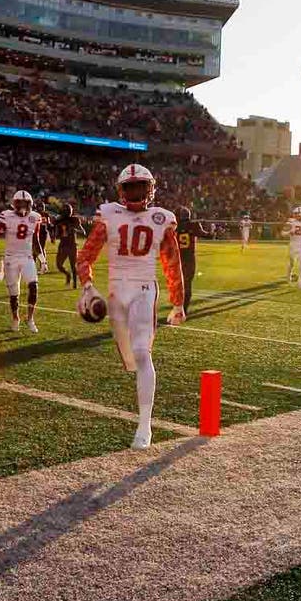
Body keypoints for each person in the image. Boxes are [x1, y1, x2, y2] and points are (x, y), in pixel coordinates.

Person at [77, 164, 186, 449]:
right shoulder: (109, 216)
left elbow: (172, 263)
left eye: (141, 187)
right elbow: (86, 255)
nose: (136, 192)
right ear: (122, 191)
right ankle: (143, 415)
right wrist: (88, 286)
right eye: (131, 187)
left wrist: (177, 302)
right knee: (129, 359)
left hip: (144, 289)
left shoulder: (161, 218)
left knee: (141, 352)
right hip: (116, 294)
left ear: (149, 190)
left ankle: (144, 425)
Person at [0, 190, 43, 333]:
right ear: (15, 204)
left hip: (27, 257)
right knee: (14, 294)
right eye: (21, 203)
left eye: (26, 203)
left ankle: (30, 319)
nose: (24, 206)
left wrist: (43, 260)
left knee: (34, 286)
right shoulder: (6, 216)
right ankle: (15, 318)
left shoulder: (35, 217)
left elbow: (36, 241)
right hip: (10, 258)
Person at [176, 206, 213, 314]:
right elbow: (207, 235)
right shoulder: (194, 225)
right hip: (189, 259)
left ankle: (177, 306)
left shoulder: (175, 227)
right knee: (187, 284)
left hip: (177, 259)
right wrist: (212, 231)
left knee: (178, 284)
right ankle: (184, 309)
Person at [51, 203, 86, 289]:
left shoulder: (74, 220)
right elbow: (56, 234)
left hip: (72, 245)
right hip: (63, 245)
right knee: (59, 265)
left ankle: (74, 284)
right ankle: (67, 274)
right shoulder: (59, 220)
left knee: (73, 265)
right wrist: (55, 236)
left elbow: (83, 232)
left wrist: (75, 230)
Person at [283, 206, 301, 288]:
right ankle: (289, 276)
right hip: (293, 245)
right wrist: (289, 232)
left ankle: (300, 279)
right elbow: (282, 233)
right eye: (297, 214)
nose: (299, 215)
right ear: (294, 214)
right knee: (292, 263)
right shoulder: (290, 222)